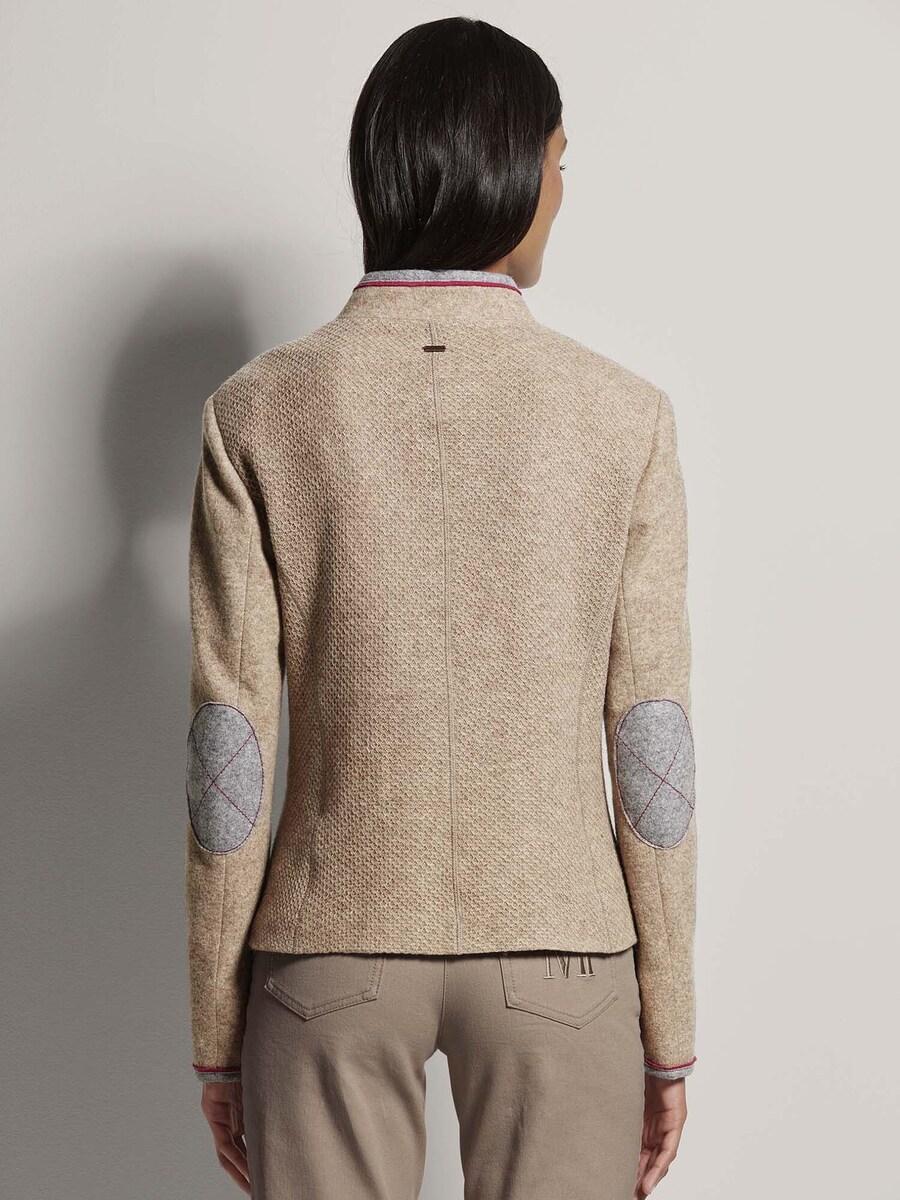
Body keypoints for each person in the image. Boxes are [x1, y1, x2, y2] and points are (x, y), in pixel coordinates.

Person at [184, 16, 698, 1200]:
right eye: (560, 161)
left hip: (327, 950)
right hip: (562, 948)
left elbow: (227, 753)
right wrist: (668, 1022)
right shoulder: (622, 417)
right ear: (508, 169)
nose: (563, 192)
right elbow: (653, 742)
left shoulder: (256, 411)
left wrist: (217, 1024)